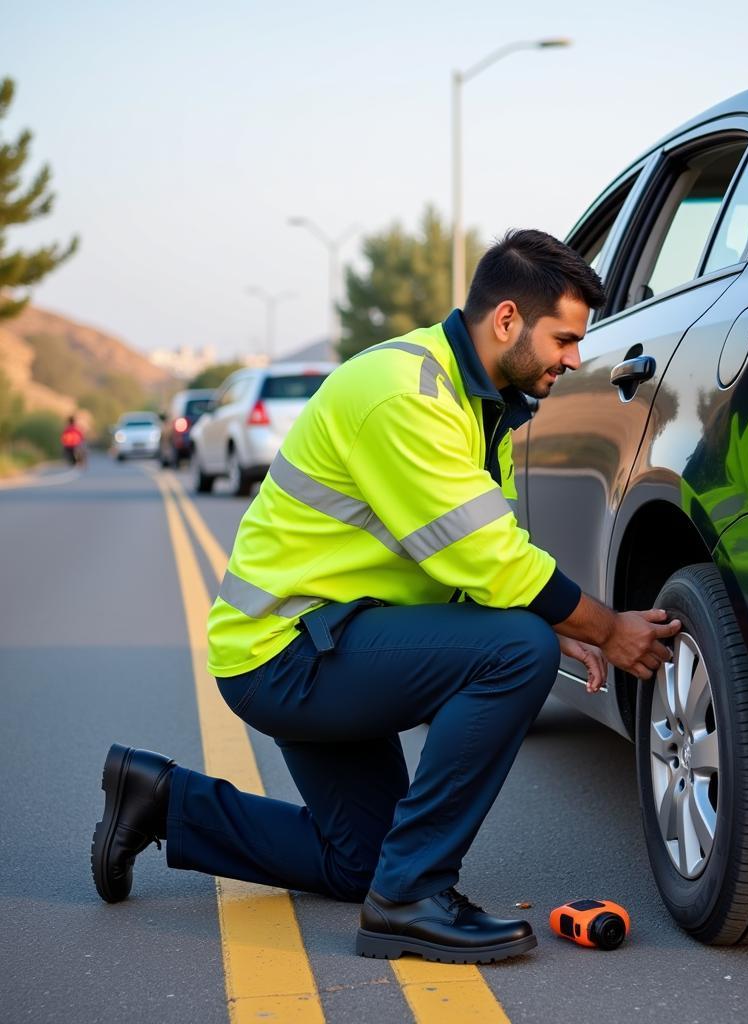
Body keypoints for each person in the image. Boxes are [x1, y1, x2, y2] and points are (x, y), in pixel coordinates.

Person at [91, 229, 680, 964]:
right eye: (563, 338)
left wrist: (544, 610)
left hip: (330, 637)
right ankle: (413, 900)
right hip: (287, 651)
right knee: (517, 652)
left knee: (359, 862)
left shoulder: (478, 402)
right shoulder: (408, 395)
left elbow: (471, 559)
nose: (573, 357)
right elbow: (492, 559)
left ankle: (161, 800)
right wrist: (604, 626)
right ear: (506, 321)